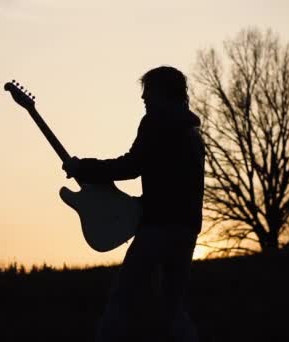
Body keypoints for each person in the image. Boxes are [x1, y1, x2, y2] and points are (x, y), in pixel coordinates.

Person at [62, 66, 204, 342]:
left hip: (158, 226)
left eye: (148, 91)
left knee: (123, 299)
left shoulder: (156, 121)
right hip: (187, 228)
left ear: (163, 92)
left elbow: (132, 165)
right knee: (172, 306)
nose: (144, 98)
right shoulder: (192, 132)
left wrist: (84, 168)